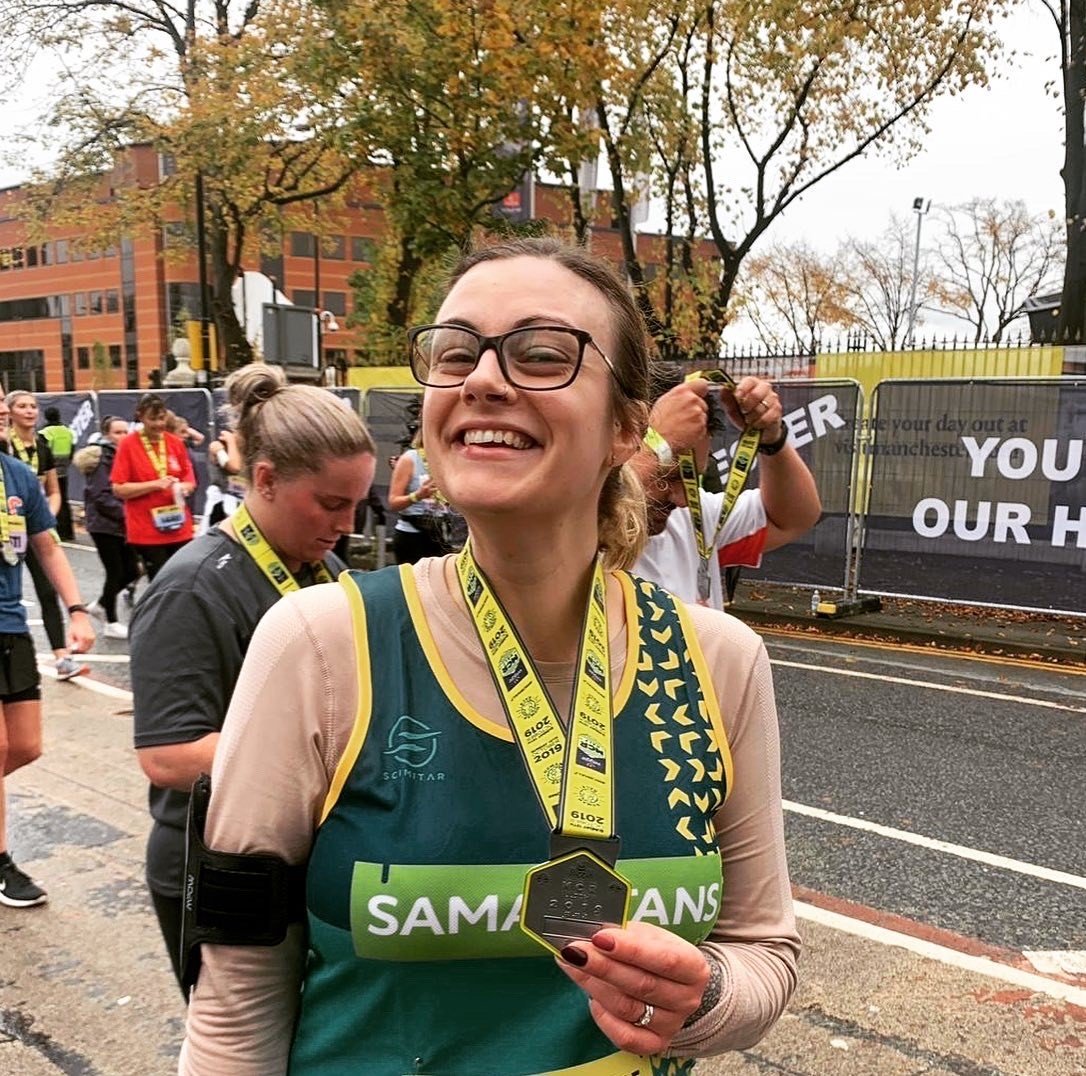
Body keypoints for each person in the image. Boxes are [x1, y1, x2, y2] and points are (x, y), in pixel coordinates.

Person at [181, 238, 798, 1073]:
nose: (481, 378)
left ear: (626, 427)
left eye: (542, 354)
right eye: (456, 351)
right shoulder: (318, 643)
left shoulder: (720, 660)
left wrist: (707, 997)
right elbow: (233, 1014)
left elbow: (762, 950)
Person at [131, 364, 376, 995]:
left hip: (302, 857)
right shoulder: (193, 588)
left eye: (356, 504)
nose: (346, 524)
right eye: (330, 503)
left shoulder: (316, 562)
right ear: (263, 479)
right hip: (220, 867)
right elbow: (168, 755)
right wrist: (334, 759)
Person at [0, 387, 96, 907]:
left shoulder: (15, 475)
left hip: (10, 625)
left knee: (25, 746)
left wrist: (77, 609)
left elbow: (46, 545)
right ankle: (2, 865)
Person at [634, 374, 821, 609]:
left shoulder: (696, 519)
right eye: (667, 476)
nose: (683, 500)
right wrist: (653, 448)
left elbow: (792, 520)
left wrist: (772, 440)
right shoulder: (579, 538)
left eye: (692, 479)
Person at [5, 391, 87, 681]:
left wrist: (46, 515)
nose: (29, 411)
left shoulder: (42, 445)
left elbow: (53, 490)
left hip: (32, 526)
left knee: (47, 589)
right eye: (21, 406)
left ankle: (62, 656)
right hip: (11, 525)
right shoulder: (7, 448)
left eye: (33, 406)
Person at [110, 393, 196, 582]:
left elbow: (188, 475)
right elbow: (118, 488)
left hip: (179, 526)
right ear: (140, 417)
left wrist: (186, 487)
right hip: (147, 529)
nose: (158, 424)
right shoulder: (128, 444)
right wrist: (154, 485)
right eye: (152, 419)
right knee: (161, 583)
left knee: (184, 579)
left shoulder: (174, 442)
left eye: (161, 418)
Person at [73, 416, 140, 639]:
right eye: (117, 432)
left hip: (122, 524)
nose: (123, 436)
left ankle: (101, 604)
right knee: (116, 571)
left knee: (132, 569)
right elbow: (101, 496)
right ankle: (110, 621)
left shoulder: (125, 455)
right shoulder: (101, 458)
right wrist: (127, 515)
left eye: (125, 431)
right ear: (106, 435)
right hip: (104, 524)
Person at [386, 432, 453, 562]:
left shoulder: (445, 460)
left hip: (440, 532)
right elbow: (393, 502)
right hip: (412, 534)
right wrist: (418, 495)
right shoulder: (410, 459)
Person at [39, 405, 75, 541]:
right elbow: (72, 449)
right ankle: (68, 532)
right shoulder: (68, 431)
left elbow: (42, 453)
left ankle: (57, 530)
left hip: (50, 470)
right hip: (64, 469)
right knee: (64, 500)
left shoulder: (45, 433)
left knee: (52, 499)